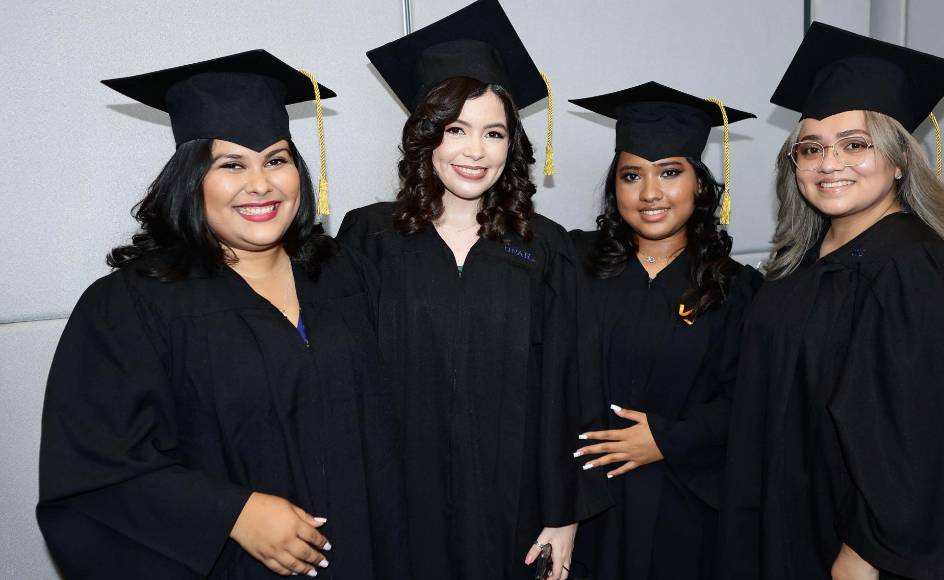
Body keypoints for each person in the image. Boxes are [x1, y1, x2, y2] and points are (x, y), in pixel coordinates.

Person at [36, 50, 408, 579]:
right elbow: (94, 473)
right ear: (192, 181)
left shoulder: (345, 276)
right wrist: (230, 513)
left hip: (366, 555)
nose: (261, 184)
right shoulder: (130, 306)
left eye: (276, 160)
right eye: (231, 164)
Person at [338, 2, 612, 578]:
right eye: (455, 129)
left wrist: (565, 514)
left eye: (493, 133)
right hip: (400, 502)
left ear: (511, 144)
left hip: (515, 508)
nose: (474, 151)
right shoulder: (370, 237)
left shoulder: (546, 248)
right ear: (425, 137)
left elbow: (574, 387)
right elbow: (344, 379)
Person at [720, 22, 944, 580]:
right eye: (811, 148)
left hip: (853, 548)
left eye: (855, 145)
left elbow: (931, 438)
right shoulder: (802, 262)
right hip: (786, 520)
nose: (829, 163)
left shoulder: (917, 272)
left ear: (899, 159)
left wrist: (866, 554)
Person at [566, 82, 760, 579]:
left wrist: (667, 439)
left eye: (670, 173)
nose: (650, 193)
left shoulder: (737, 289)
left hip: (685, 505)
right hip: (586, 502)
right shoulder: (573, 266)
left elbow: (752, 399)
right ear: (615, 187)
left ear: (699, 183)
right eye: (632, 176)